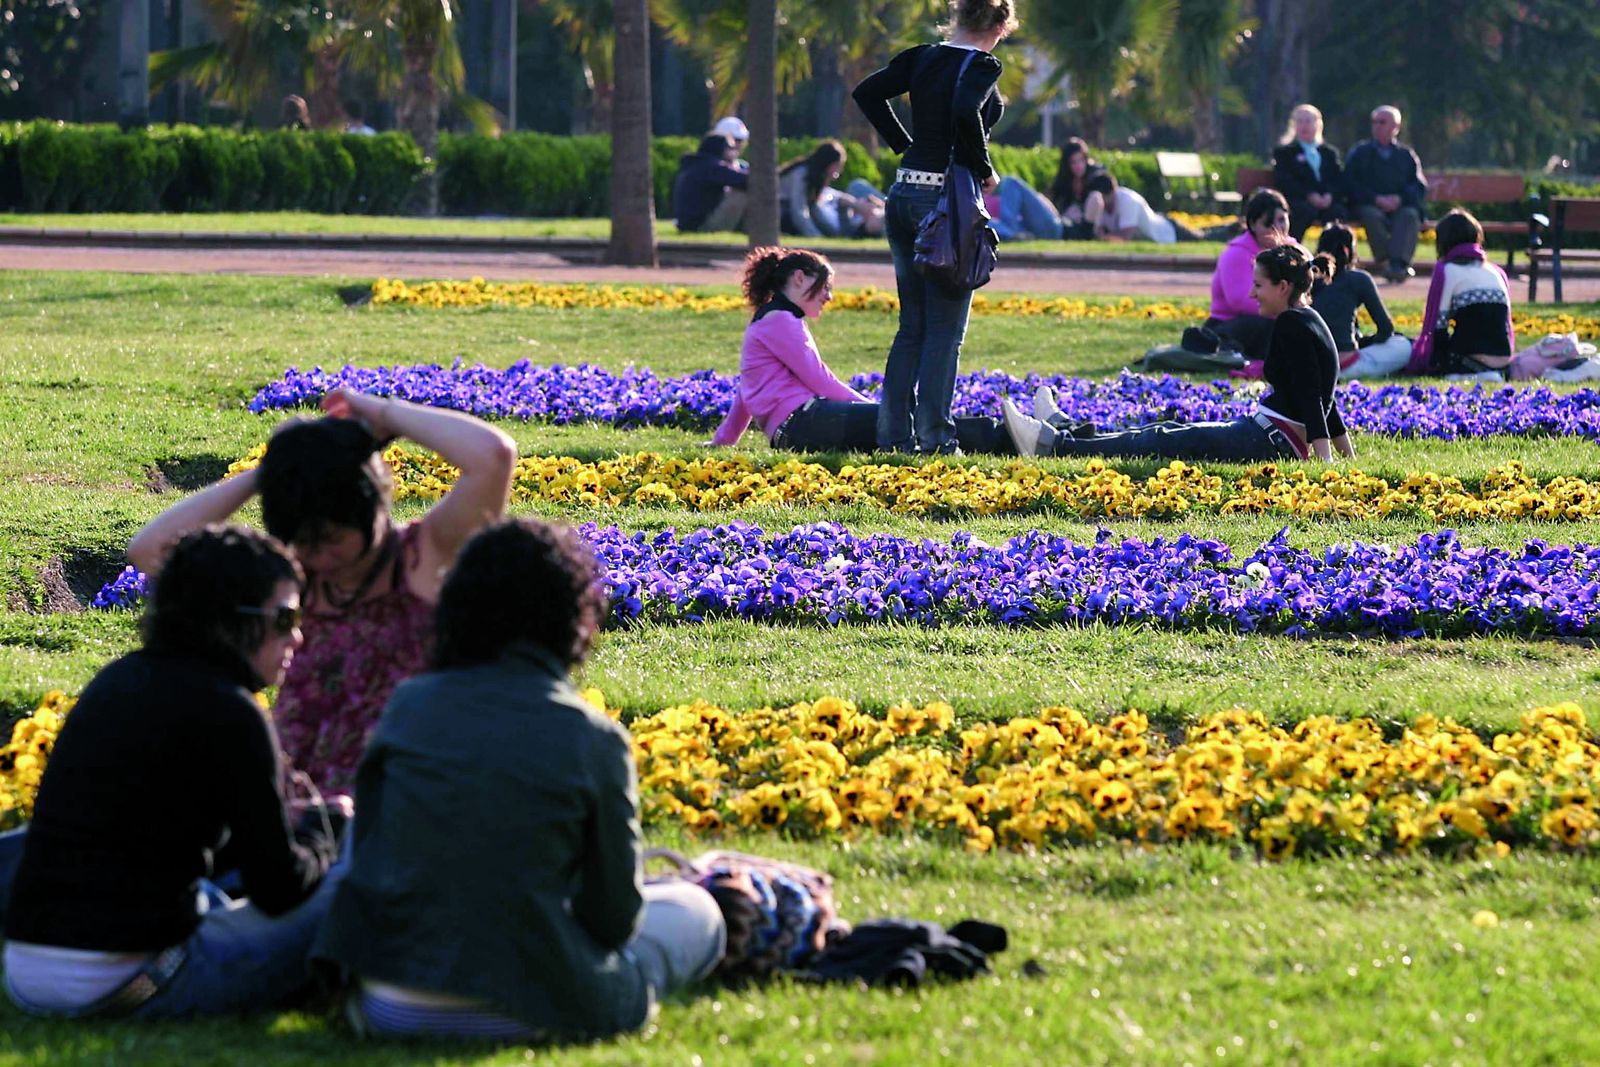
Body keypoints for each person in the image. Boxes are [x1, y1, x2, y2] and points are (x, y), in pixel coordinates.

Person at [313, 518, 725, 1041]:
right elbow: (615, 919)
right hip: (537, 1004)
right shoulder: (593, 738)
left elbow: (367, 857)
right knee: (695, 913)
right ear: (575, 619)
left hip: (389, 1000)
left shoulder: (407, 708)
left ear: (456, 611)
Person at [3, 526, 343, 1019]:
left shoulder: (115, 681)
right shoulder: (232, 711)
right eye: (285, 617)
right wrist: (325, 826)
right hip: (134, 983)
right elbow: (280, 888)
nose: (298, 635)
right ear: (230, 619)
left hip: (25, 975)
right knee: (352, 873)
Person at [125, 392, 517, 791]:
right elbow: (151, 550)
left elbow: (493, 456)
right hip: (302, 814)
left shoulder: (428, 556)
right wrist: (280, 468)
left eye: (332, 538)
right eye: (304, 542)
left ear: (373, 508)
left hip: (407, 807)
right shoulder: (290, 578)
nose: (322, 558)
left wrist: (383, 416)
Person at [1002, 243, 1354, 463]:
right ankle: (1065, 430)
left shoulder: (1292, 324)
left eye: (1259, 285)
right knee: (1163, 431)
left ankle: (1054, 445)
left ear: (1283, 286)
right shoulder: (1309, 319)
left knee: (1159, 438)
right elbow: (1327, 398)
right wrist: (1346, 458)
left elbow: (1312, 397)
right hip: (1267, 434)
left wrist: (1323, 465)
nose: (1251, 294)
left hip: (1268, 441)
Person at [851, 0, 1017, 455]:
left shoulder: (921, 56)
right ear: (1002, 25)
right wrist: (983, 168)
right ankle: (937, 441)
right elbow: (966, 110)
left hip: (904, 193)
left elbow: (867, 92)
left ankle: (893, 438)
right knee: (945, 331)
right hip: (946, 203)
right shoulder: (982, 65)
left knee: (913, 327)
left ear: (958, 15)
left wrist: (903, 144)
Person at [710, 247, 1014, 455]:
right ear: (799, 278)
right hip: (806, 424)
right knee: (907, 421)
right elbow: (821, 380)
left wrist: (724, 441)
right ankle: (1006, 437)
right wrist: (882, 412)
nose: (829, 296)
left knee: (910, 421)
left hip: (798, 428)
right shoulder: (780, 321)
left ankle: (1002, 432)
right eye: (825, 286)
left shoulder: (768, 321)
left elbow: (745, 392)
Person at [1406, 208, 1515, 379]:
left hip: (1469, 362)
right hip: (1504, 361)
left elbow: (1438, 327)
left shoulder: (1447, 270)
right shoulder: (1496, 271)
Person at [1309, 222, 1412, 379]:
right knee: (1403, 345)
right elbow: (1386, 328)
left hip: (1314, 366)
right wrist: (1367, 341)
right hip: (1346, 365)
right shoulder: (1358, 279)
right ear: (1348, 251)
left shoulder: (1307, 277)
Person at [1204, 187, 1292, 360]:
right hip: (1231, 324)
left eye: (1282, 220)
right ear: (1253, 224)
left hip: (1277, 315)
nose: (1278, 229)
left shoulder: (1294, 251)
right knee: (1270, 326)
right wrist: (1285, 309)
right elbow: (1241, 302)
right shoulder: (1236, 254)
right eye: (1269, 224)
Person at [1344, 105, 1427, 283]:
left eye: (1382, 122)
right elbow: (1350, 183)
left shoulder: (1406, 155)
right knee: (1371, 215)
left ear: (1395, 127)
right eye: (1374, 122)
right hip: (1370, 205)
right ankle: (1386, 261)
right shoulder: (1360, 152)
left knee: (1410, 215)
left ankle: (1399, 265)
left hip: (1399, 206)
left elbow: (1418, 185)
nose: (1377, 126)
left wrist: (1400, 199)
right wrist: (1376, 199)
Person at [777, 140, 886, 239]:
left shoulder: (812, 176)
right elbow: (799, 212)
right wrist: (816, 237)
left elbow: (827, 194)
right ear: (831, 165)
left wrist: (850, 202)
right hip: (783, 215)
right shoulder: (801, 174)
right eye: (838, 167)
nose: (837, 174)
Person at [1272, 104, 1345, 240]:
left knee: (1337, 213)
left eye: (1308, 121)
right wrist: (1309, 195)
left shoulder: (1329, 153)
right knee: (1302, 211)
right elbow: (1284, 180)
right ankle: (1292, 249)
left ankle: (1333, 255)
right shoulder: (1285, 152)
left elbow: (1338, 179)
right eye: (1299, 121)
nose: (1304, 125)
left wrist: (1329, 195)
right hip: (1299, 200)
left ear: (1318, 124)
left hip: (1326, 202)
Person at [1081, 172, 1204, 244]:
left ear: (1111, 192)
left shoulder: (1128, 201)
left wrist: (1101, 236)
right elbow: (1099, 231)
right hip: (1163, 226)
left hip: (1170, 232)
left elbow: (1124, 238)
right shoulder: (1100, 204)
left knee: (1205, 238)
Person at [672, 133, 751, 234]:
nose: (734, 151)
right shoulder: (712, 167)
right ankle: (754, 229)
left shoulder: (697, 164)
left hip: (689, 224)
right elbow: (745, 181)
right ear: (720, 148)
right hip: (701, 226)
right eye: (730, 147)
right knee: (742, 193)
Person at [1048, 137, 1106, 239]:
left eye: (1081, 160)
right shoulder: (1064, 180)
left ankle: (1089, 236)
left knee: (1095, 197)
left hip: (1092, 224)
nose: (1078, 166)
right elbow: (1054, 200)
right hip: (1068, 222)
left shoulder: (1096, 175)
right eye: (1073, 162)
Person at [986, 175, 1063, 242]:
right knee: (981, 222)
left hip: (1039, 226)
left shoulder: (1007, 188)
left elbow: (1046, 206)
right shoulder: (978, 200)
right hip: (1023, 230)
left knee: (1011, 181)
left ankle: (1010, 232)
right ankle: (1012, 233)